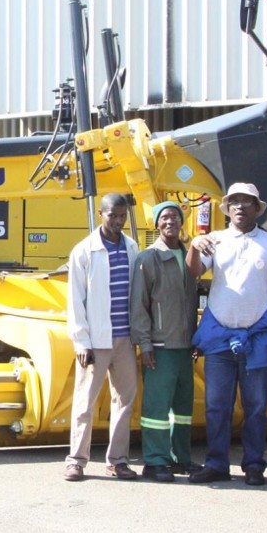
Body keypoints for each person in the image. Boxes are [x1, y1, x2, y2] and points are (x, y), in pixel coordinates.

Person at [185, 182, 267, 486]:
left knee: (256, 407)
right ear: (227, 208)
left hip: (259, 340)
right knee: (216, 405)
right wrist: (194, 245)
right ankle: (217, 463)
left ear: (257, 208)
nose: (239, 207)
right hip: (220, 339)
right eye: (234, 202)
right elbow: (194, 272)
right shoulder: (215, 241)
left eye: (247, 202)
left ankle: (254, 465)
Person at [64, 192, 140, 481]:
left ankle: (118, 460)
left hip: (124, 338)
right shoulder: (84, 251)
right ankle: (76, 461)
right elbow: (75, 300)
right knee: (85, 402)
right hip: (96, 340)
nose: (118, 221)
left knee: (124, 400)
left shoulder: (131, 247)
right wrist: (81, 341)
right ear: (101, 214)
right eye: (113, 216)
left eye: (122, 216)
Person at [129, 201, 202, 482]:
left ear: (182, 222)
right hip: (160, 347)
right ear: (156, 224)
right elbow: (139, 305)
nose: (170, 221)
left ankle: (180, 459)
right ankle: (155, 461)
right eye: (164, 217)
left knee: (183, 408)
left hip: (184, 347)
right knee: (156, 409)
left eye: (175, 217)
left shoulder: (189, 256)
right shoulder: (147, 259)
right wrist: (145, 344)